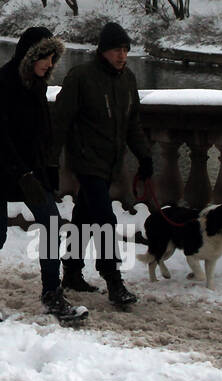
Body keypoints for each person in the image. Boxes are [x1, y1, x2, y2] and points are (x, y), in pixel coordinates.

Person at [0, 26, 86, 325]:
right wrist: (23, 175)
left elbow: (42, 134)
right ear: (29, 56)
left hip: (29, 169)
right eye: (44, 57)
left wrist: (48, 172)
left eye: (52, 58)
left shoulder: (38, 84)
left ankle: (51, 293)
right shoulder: (2, 81)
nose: (49, 64)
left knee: (52, 222)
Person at [52, 21, 153, 307]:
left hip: (110, 162)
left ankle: (71, 271)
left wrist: (144, 156)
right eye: (116, 50)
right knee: (105, 219)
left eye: (125, 50)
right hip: (86, 161)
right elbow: (60, 121)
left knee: (84, 216)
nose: (121, 55)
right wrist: (50, 162)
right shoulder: (81, 76)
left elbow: (133, 123)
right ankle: (113, 280)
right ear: (102, 51)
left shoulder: (127, 79)